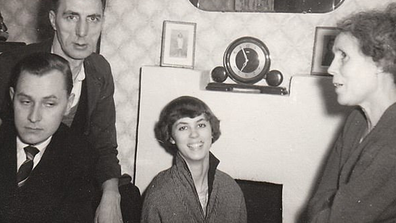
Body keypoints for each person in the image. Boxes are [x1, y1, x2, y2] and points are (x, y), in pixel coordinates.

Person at [0, 0, 132, 222]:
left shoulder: (99, 71)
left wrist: (111, 196)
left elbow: (104, 146)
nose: (82, 32)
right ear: (53, 20)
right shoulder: (13, 65)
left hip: (71, 186)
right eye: (71, 17)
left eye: (93, 18)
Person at [307, 3, 396, 222]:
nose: (330, 69)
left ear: (381, 63)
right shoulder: (357, 120)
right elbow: (318, 202)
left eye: (343, 56)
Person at [0, 52, 96, 222]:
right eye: (26, 102)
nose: (34, 117)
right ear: (12, 97)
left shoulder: (80, 156)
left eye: (49, 104)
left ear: (68, 104)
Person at [141, 96, 247, 223]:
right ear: (171, 137)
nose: (194, 134)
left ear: (211, 131)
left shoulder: (230, 189)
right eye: (183, 127)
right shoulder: (160, 193)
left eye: (201, 125)